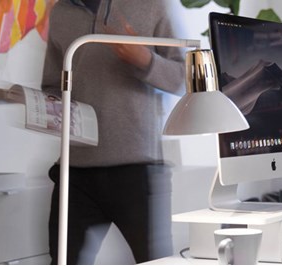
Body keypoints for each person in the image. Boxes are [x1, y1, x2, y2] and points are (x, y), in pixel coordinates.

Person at [40, 0, 185, 264]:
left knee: (156, 262)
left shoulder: (153, 5)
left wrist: (146, 60)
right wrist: (42, 108)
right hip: (75, 173)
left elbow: (184, 78)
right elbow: (51, 84)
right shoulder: (61, 11)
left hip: (137, 171)